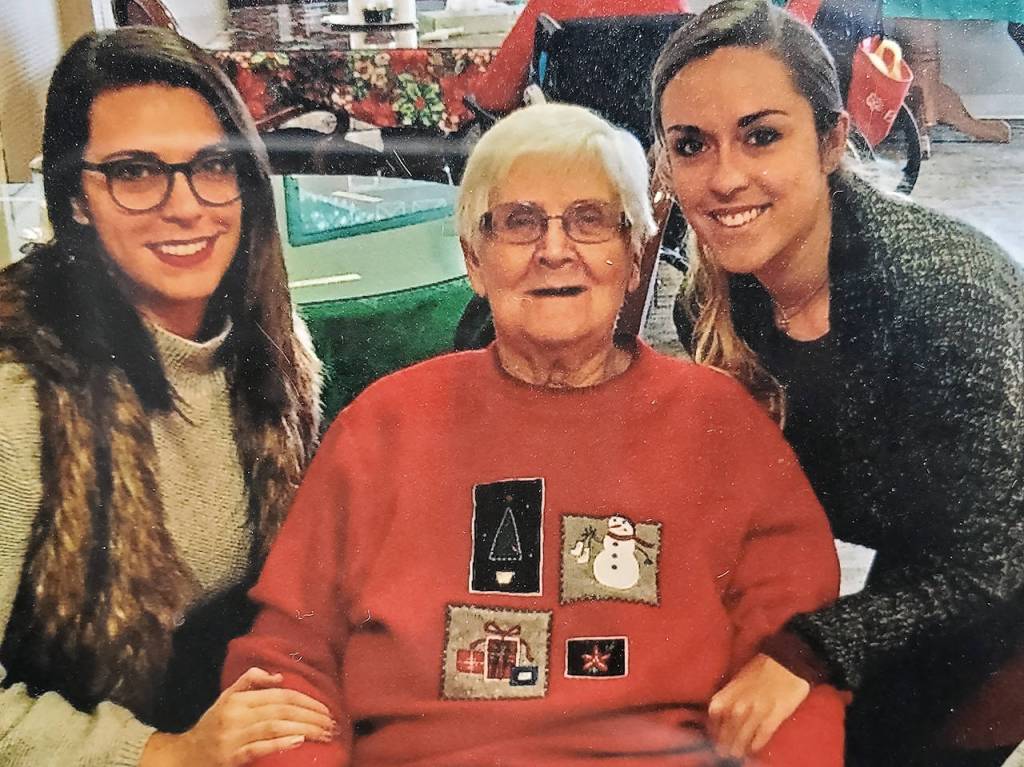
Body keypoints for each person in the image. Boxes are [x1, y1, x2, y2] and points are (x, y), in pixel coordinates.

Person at [221, 102, 846, 766]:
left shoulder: (718, 422)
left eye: (590, 220)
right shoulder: (383, 424)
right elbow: (289, 661)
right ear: (474, 260)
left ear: (634, 258)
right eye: (519, 223)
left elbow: (795, 652)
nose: (555, 250)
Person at [651, 2, 1024, 765]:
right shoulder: (711, 300)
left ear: (830, 141)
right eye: (692, 144)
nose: (724, 177)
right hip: (928, 553)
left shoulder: (940, 294)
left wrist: (806, 651)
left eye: (761, 135)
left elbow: (988, 558)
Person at [0, 26, 332, 766]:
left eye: (213, 165)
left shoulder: (278, 345)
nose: (185, 207)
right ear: (76, 197)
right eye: (135, 172)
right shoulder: (19, 389)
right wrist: (159, 752)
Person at [472, 0, 690, 113]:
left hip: (568, 158)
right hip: (647, 164)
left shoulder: (551, 4)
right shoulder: (673, 6)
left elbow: (494, 98)